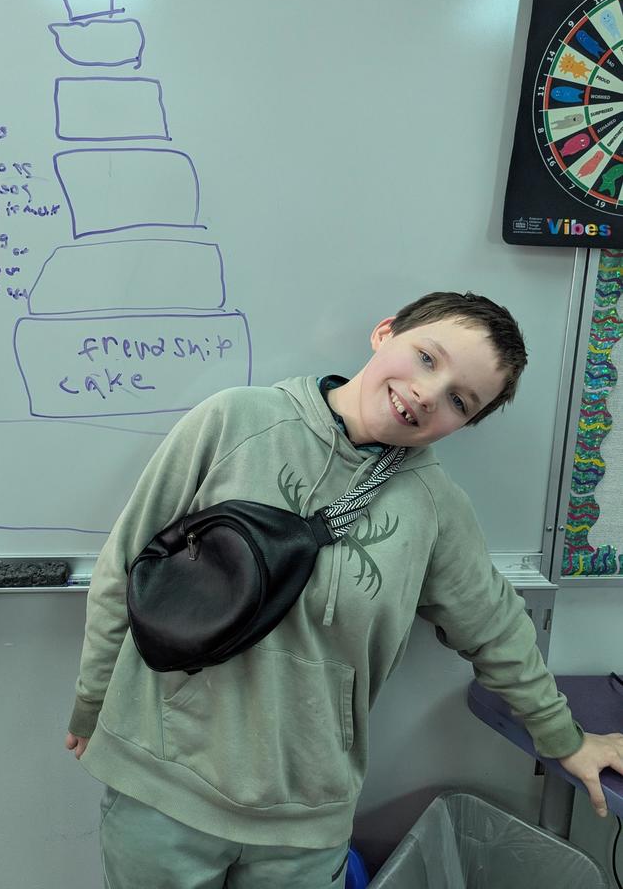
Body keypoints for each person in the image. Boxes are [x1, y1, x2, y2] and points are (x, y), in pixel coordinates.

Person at [66, 291, 623, 889]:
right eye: (427, 358)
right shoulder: (235, 421)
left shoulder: (434, 508)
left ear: (465, 423)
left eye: (460, 401)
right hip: (161, 789)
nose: (428, 394)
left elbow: (498, 631)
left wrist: (565, 741)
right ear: (385, 333)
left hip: (305, 823)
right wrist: (92, 701)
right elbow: (126, 567)